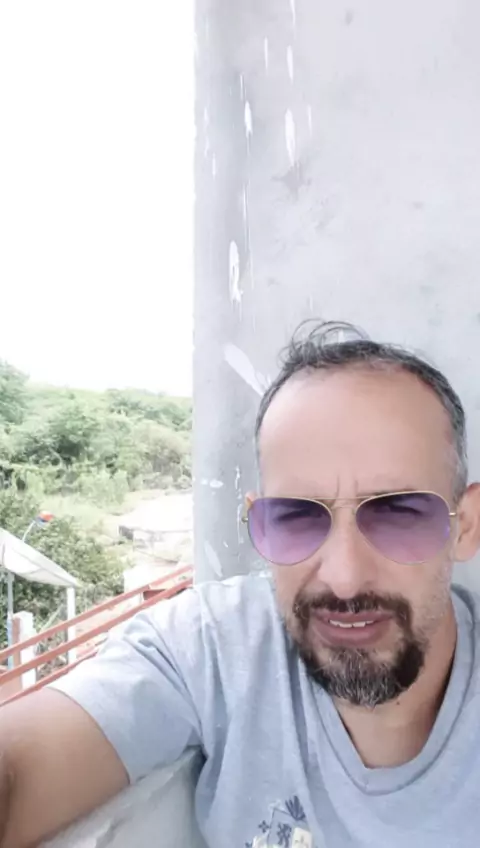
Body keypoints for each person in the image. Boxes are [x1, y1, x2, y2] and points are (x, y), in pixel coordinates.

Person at [1, 320, 480, 848]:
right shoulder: (211, 647)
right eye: (297, 517)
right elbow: (20, 769)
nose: (344, 578)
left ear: (465, 526)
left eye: (398, 515)